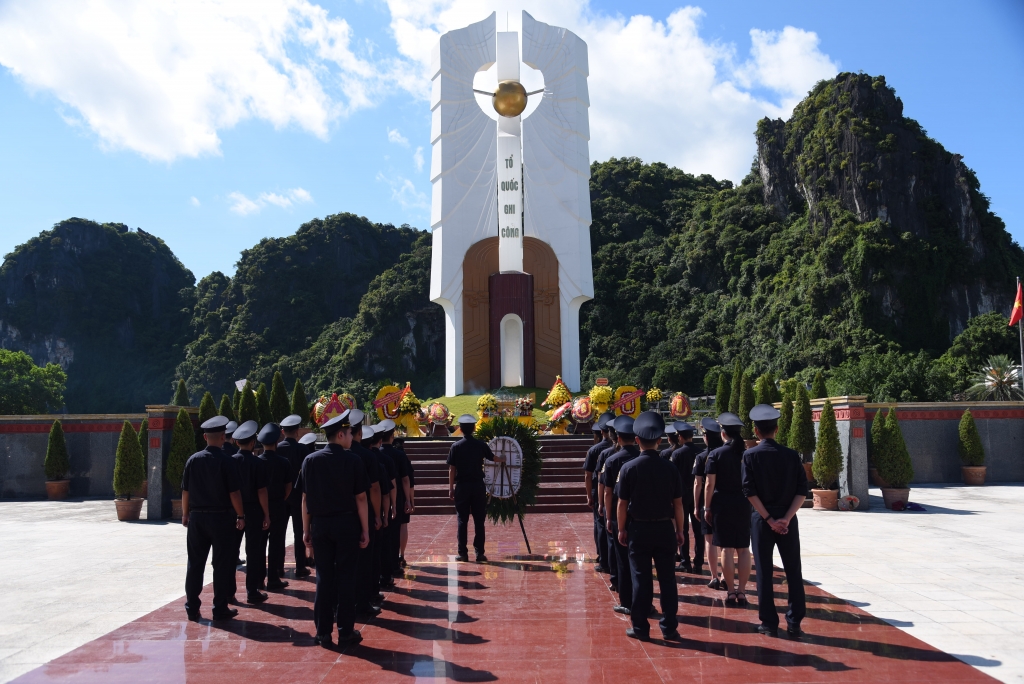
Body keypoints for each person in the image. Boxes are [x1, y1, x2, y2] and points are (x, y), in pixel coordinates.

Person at [294, 410, 370, 647]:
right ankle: (346, 631)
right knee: (346, 577)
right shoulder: (353, 460)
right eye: (349, 433)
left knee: (323, 578)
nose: (351, 438)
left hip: (321, 525)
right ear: (340, 434)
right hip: (347, 524)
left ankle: (323, 632)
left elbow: (305, 499)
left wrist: (306, 530)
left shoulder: (310, 460)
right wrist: (365, 529)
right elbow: (360, 499)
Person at [615, 411, 684, 641]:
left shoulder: (629, 468)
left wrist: (621, 528)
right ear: (659, 440)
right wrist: (680, 531)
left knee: (640, 579)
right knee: (668, 580)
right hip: (665, 529)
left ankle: (641, 627)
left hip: (639, 530)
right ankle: (670, 627)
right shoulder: (670, 468)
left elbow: (622, 504)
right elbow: (678, 505)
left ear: (637, 440)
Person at [742, 404, 809, 638]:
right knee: (793, 569)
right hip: (788, 519)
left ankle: (769, 624)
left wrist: (769, 519)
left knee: (763, 571)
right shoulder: (791, 455)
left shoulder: (750, 455)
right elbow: (802, 490)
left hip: (762, 519)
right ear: (777, 429)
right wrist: (786, 518)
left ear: (756, 431)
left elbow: (749, 491)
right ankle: (795, 622)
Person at [181, 416, 245, 621]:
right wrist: (241, 515)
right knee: (222, 564)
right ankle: (219, 607)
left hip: (197, 518)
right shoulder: (228, 461)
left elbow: (185, 491)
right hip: (221, 519)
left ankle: (192, 606)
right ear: (223, 437)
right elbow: (234, 493)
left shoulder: (193, 459)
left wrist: (185, 514)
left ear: (204, 437)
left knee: (195, 563)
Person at [704, 412, 752, 607]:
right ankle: (742, 591)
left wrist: (707, 506)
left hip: (722, 502)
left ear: (723, 433)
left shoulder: (715, 454)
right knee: (743, 549)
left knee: (726, 547)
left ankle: (731, 591)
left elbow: (709, 484)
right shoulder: (746, 453)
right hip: (743, 502)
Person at [447, 414, 502, 562]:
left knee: (462, 520)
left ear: (460, 429)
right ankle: (480, 553)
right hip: (478, 486)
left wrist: (451, 488)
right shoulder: (481, 445)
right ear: (474, 428)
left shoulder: (456, 446)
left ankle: (463, 553)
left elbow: (452, 469)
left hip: (462, 487)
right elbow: (493, 458)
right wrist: (503, 459)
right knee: (479, 520)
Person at [601, 415, 640, 614]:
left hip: (619, 515)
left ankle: (626, 601)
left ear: (617, 437)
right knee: (642, 563)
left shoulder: (612, 460)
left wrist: (608, 517)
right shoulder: (640, 457)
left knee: (623, 560)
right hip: (641, 514)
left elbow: (608, 491)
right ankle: (644, 602)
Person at [346, 411, 384, 616]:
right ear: (359, 433)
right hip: (364, 512)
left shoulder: (323, 456)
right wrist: (377, 515)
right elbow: (374, 489)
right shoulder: (367, 456)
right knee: (364, 560)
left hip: (339, 514)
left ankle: (339, 604)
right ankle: (362, 602)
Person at [230, 420, 271, 604]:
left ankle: (228, 592)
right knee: (253, 551)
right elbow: (262, 491)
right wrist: (266, 514)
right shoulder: (257, 463)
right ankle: (252, 591)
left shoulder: (229, 462)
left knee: (231, 552)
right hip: (254, 510)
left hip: (234, 511)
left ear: (237, 442)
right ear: (253, 442)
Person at [258, 422, 291, 591]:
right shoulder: (283, 462)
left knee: (259, 544)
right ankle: (273, 578)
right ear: (276, 442)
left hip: (259, 507)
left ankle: (258, 580)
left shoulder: (257, 462)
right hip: (278, 505)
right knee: (276, 543)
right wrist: (281, 499)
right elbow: (288, 486)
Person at [278, 415, 311, 578]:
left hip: (281, 497)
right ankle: (300, 566)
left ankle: (277, 567)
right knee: (299, 532)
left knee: (279, 533)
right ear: (297, 431)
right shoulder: (303, 450)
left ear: (283, 432)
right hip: (299, 496)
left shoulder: (277, 449)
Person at [694, 417, 725, 589]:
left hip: (709, 501)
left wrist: (697, 505)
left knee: (709, 539)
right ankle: (726, 575)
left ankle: (714, 575)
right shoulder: (727, 453)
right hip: (726, 500)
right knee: (727, 542)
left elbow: (699, 483)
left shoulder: (702, 457)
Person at [379, 420, 413, 572]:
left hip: (377, 498)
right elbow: (406, 479)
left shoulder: (376, 454)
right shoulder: (399, 455)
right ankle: (393, 565)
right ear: (392, 437)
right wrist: (408, 499)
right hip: (396, 497)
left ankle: (380, 567)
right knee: (393, 533)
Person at [670, 422, 702, 574]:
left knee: (682, 529)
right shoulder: (700, 452)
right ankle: (699, 562)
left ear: (681, 437)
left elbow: (673, 476)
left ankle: (685, 561)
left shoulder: (677, 454)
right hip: (697, 495)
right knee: (698, 530)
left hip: (681, 496)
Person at [583, 415, 612, 573]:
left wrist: (589, 495)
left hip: (599, 490)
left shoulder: (594, 450)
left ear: (601, 431)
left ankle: (603, 558)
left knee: (600, 525)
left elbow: (588, 475)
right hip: (619, 492)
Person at [593, 412, 619, 591]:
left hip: (615, 504)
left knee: (611, 538)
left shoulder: (608, 457)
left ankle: (614, 574)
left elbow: (604, 485)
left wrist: (602, 505)